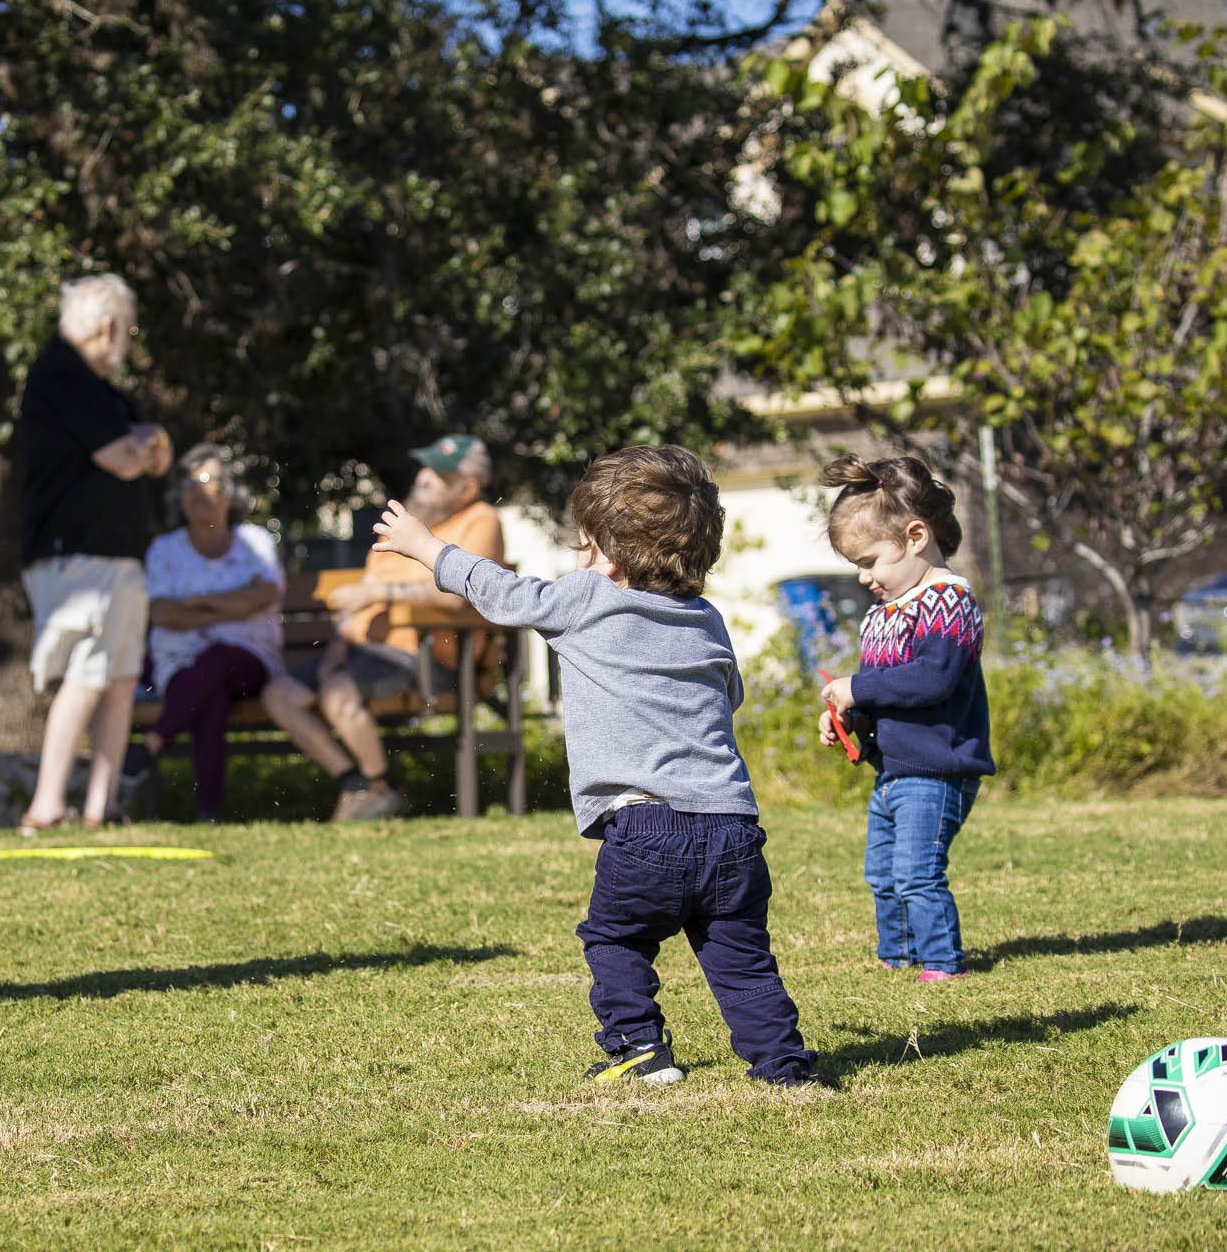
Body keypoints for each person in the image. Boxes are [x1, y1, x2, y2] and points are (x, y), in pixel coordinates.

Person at [371, 445, 817, 1086]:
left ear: (607, 555)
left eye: (583, 546)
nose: (578, 559)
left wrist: (427, 547)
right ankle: (784, 1066)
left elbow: (501, 591)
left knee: (615, 939)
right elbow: (730, 696)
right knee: (741, 959)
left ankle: (638, 1047)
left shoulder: (587, 599)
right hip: (732, 827)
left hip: (645, 828)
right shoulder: (706, 618)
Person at [815, 456, 996, 982]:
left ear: (916, 535)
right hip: (895, 768)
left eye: (870, 561)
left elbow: (932, 679)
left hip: (936, 768)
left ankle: (941, 962)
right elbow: (888, 690)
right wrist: (851, 714)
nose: (862, 576)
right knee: (882, 873)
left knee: (917, 872)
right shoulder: (885, 611)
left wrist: (858, 687)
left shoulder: (948, 600)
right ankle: (898, 955)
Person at [278, 433, 505, 822]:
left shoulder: (480, 520)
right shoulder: (399, 528)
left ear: (468, 487)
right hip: (365, 652)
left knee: (337, 692)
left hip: (426, 656)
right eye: (426, 469)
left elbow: (462, 594)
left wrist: (384, 592)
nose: (425, 478)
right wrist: (336, 649)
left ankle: (377, 789)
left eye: (440, 474)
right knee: (279, 694)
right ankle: (360, 785)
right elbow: (357, 601)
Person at [16, 274, 171, 832]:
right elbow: (127, 459)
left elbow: (152, 452)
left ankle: (99, 808)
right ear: (107, 327)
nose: (128, 341)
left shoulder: (99, 387)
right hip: (81, 556)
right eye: (127, 330)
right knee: (87, 673)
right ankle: (47, 807)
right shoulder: (65, 373)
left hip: (116, 556)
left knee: (121, 677)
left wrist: (147, 446)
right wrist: (148, 445)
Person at [134, 446, 336, 821]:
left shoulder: (255, 541)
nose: (197, 490)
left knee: (219, 659)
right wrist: (233, 603)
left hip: (250, 662)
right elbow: (161, 613)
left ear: (229, 491)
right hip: (180, 664)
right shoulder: (165, 549)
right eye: (188, 482)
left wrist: (194, 603)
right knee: (210, 693)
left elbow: (263, 596)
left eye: (207, 480)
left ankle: (152, 745)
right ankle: (209, 813)